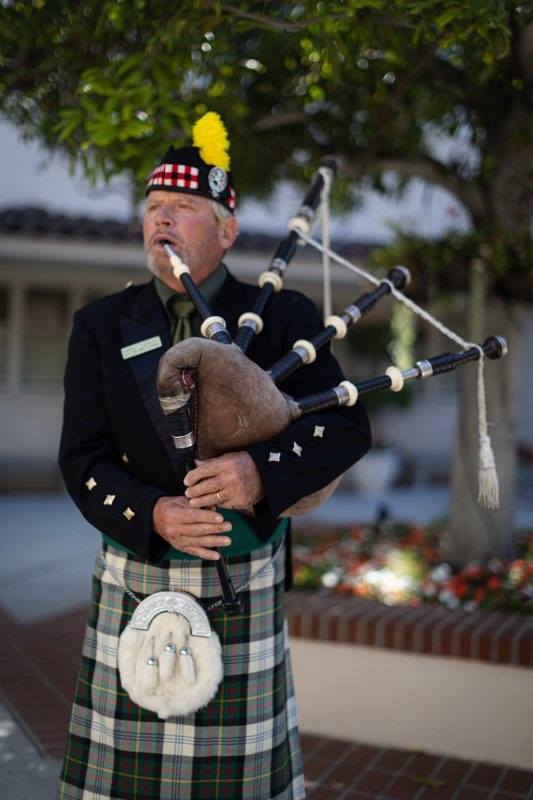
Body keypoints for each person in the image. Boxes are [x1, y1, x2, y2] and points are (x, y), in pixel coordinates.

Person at [57, 112, 371, 800]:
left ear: (225, 230)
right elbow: (81, 458)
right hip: (137, 569)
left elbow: (347, 428)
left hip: (243, 574)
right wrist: (153, 512)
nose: (160, 220)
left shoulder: (283, 320)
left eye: (183, 207)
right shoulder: (102, 325)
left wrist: (261, 472)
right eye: (152, 208)